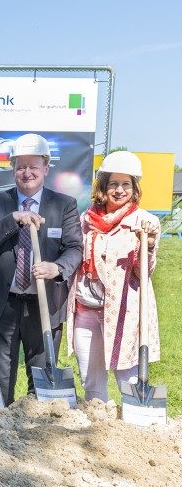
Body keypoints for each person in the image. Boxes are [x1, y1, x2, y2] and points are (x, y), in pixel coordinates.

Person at [0, 133, 83, 405]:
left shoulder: (64, 205)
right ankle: (1, 436)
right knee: (1, 380)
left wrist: (57, 267)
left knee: (42, 378)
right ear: (12, 169)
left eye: (34, 166)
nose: (27, 172)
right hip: (4, 304)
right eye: (20, 166)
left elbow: (75, 249)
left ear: (46, 168)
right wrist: (12, 220)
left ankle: (37, 437)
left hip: (45, 304)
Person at [68, 151, 160, 401]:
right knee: (91, 381)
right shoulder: (84, 220)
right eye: (114, 184)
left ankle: (133, 430)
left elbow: (145, 272)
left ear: (134, 188)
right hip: (85, 310)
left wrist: (148, 245)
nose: (119, 190)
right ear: (103, 187)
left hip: (123, 313)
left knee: (128, 380)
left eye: (126, 184)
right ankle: (99, 434)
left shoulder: (145, 222)